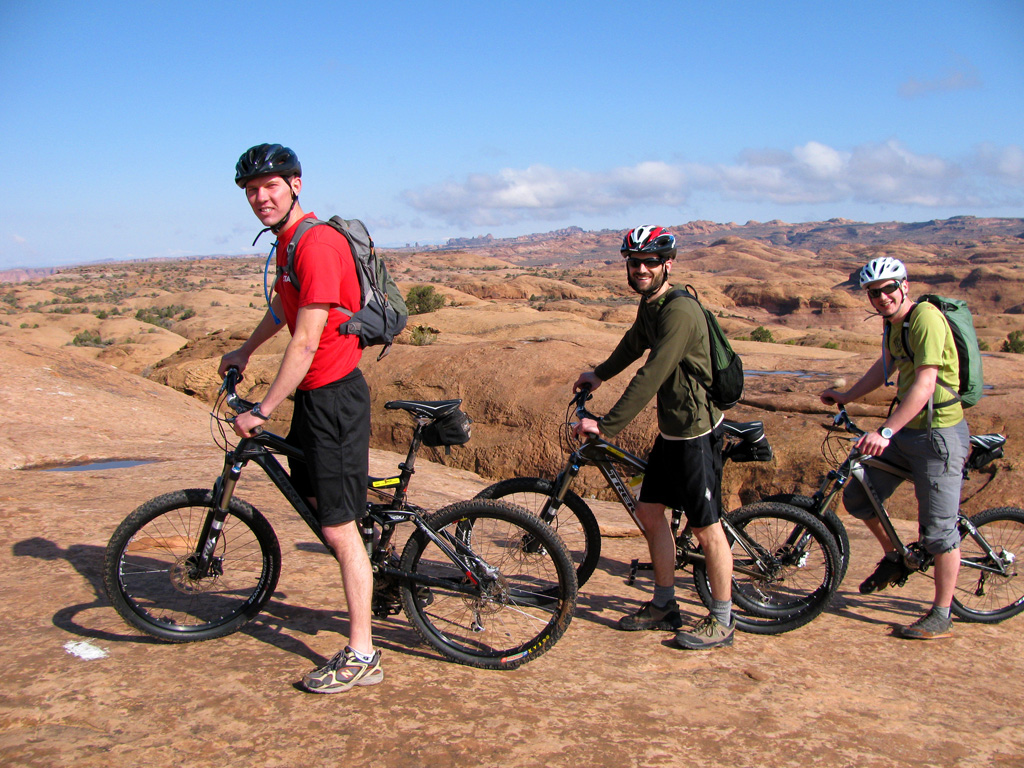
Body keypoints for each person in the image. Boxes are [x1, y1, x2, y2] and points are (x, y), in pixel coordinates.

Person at [219, 143, 382, 691]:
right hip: (315, 400)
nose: (260, 197)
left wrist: (262, 409)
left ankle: (363, 654)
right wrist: (245, 349)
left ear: (296, 185)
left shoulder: (316, 244)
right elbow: (281, 308)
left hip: (334, 397)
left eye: (270, 186)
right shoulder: (288, 244)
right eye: (251, 190)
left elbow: (308, 339)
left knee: (337, 527)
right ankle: (365, 548)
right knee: (318, 501)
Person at [573, 225, 735, 650]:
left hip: (696, 432)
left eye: (649, 262)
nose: (641, 268)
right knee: (649, 512)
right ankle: (665, 604)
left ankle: (722, 620)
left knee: (707, 529)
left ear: (667, 264)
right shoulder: (653, 304)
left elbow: (652, 373)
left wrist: (605, 426)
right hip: (672, 431)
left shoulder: (680, 312)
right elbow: (634, 343)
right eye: (635, 262)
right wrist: (599, 374)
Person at [820, 256, 970, 640]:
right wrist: (847, 395)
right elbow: (884, 367)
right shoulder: (893, 325)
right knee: (857, 496)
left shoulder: (925, 319)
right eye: (874, 292)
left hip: (937, 436)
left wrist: (885, 432)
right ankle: (896, 558)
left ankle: (942, 613)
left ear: (904, 286)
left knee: (938, 533)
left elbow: (924, 384)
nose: (882, 297)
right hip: (907, 434)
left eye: (889, 288)